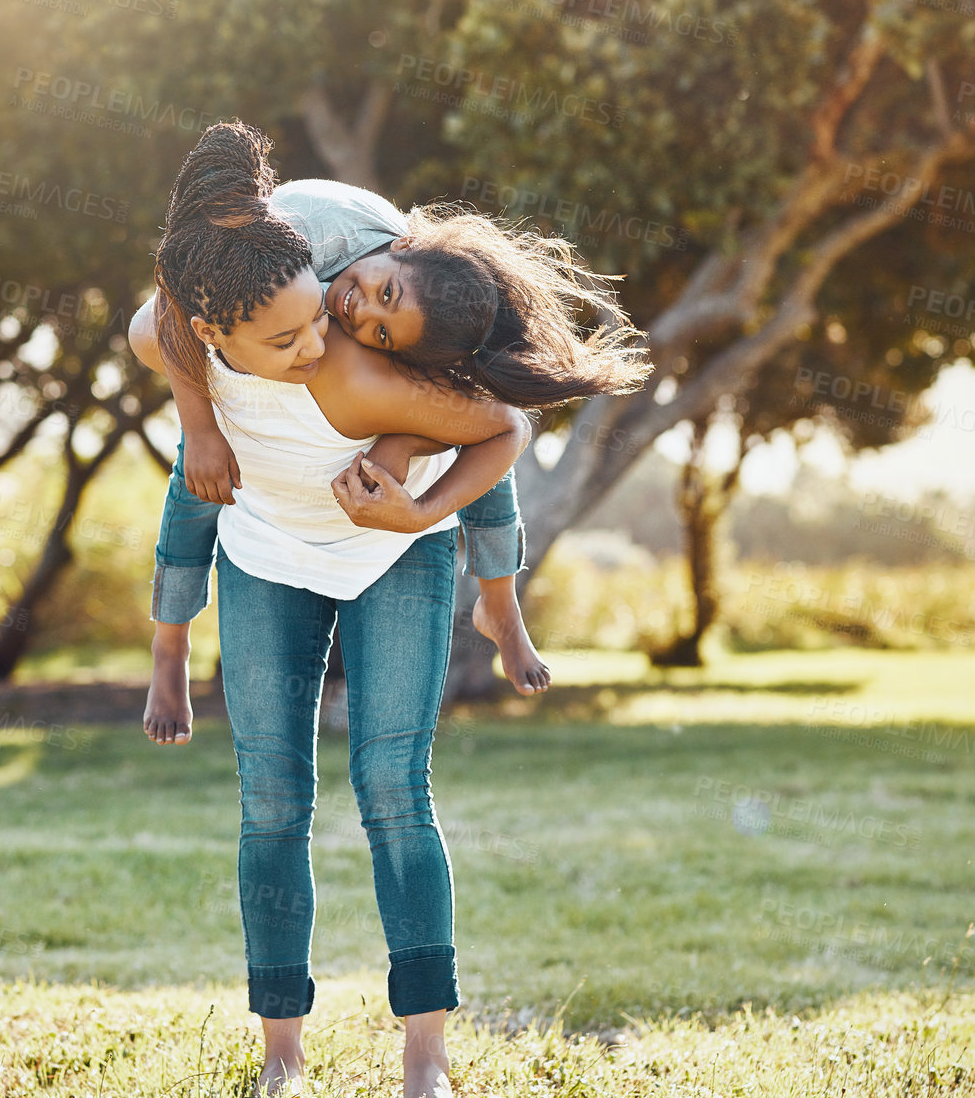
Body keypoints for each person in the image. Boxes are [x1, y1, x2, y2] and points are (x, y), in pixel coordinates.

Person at [128, 122, 645, 1098]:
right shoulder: (199, 312)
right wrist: (197, 421)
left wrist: (410, 491)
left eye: (335, 323)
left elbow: (500, 426)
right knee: (271, 800)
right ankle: (283, 1052)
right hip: (267, 554)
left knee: (393, 790)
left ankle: (426, 1057)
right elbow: (157, 311)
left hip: (391, 557)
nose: (328, 334)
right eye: (292, 338)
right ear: (207, 333)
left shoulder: (364, 346)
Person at [141, 174, 648, 744]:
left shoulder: (403, 309)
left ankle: (498, 600)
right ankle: (170, 643)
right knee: (197, 476)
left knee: (475, 430)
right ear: (401, 252)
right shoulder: (324, 236)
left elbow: (481, 423)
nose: (360, 316)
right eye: (383, 297)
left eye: (381, 336)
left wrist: (403, 444)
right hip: (234, 334)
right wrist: (200, 425)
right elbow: (171, 290)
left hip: (307, 344)